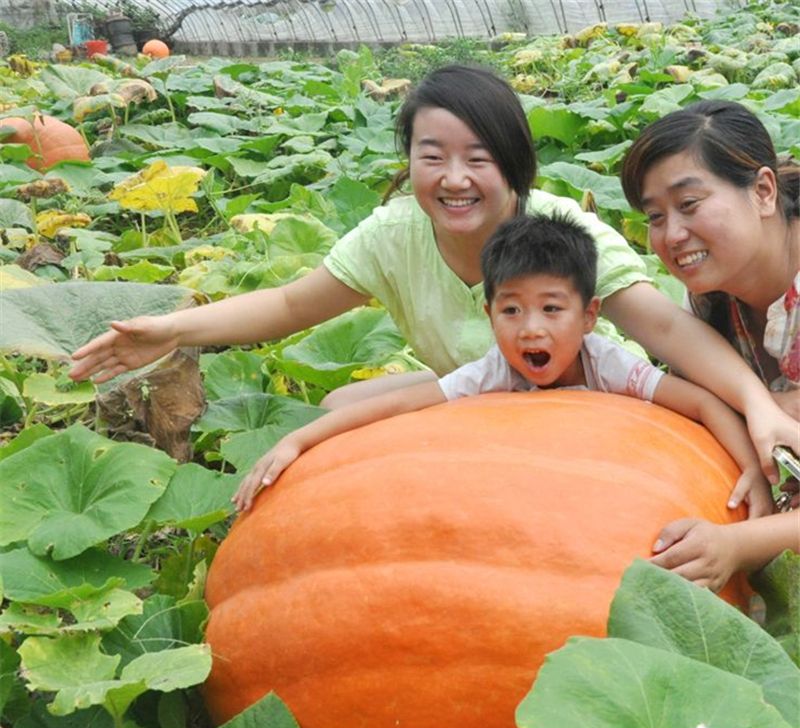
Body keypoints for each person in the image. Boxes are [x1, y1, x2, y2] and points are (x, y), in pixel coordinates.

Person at [68, 65, 798, 480]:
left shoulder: (559, 232)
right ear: (408, 158)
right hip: (488, 393)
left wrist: (754, 406)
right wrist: (168, 329)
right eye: (431, 155)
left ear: (512, 162)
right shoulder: (396, 234)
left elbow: (666, 327)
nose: (454, 179)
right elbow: (290, 304)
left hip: (593, 410)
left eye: (478, 157)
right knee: (329, 415)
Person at [233, 213, 772, 526]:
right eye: (511, 310)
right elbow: (397, 404)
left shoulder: (607, 364)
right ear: (488, 314)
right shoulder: (494, 371)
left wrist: (751, 467)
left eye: (551, 310)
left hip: (613, 489)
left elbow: (701, 403)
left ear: (589, 317)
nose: (531, 329)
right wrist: (298, 441)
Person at [621, 99, 800, 591]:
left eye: (689, 204)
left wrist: (737, 544)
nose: (672, 234)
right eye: (654, 216)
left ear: (763, 191)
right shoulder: (711, 296)